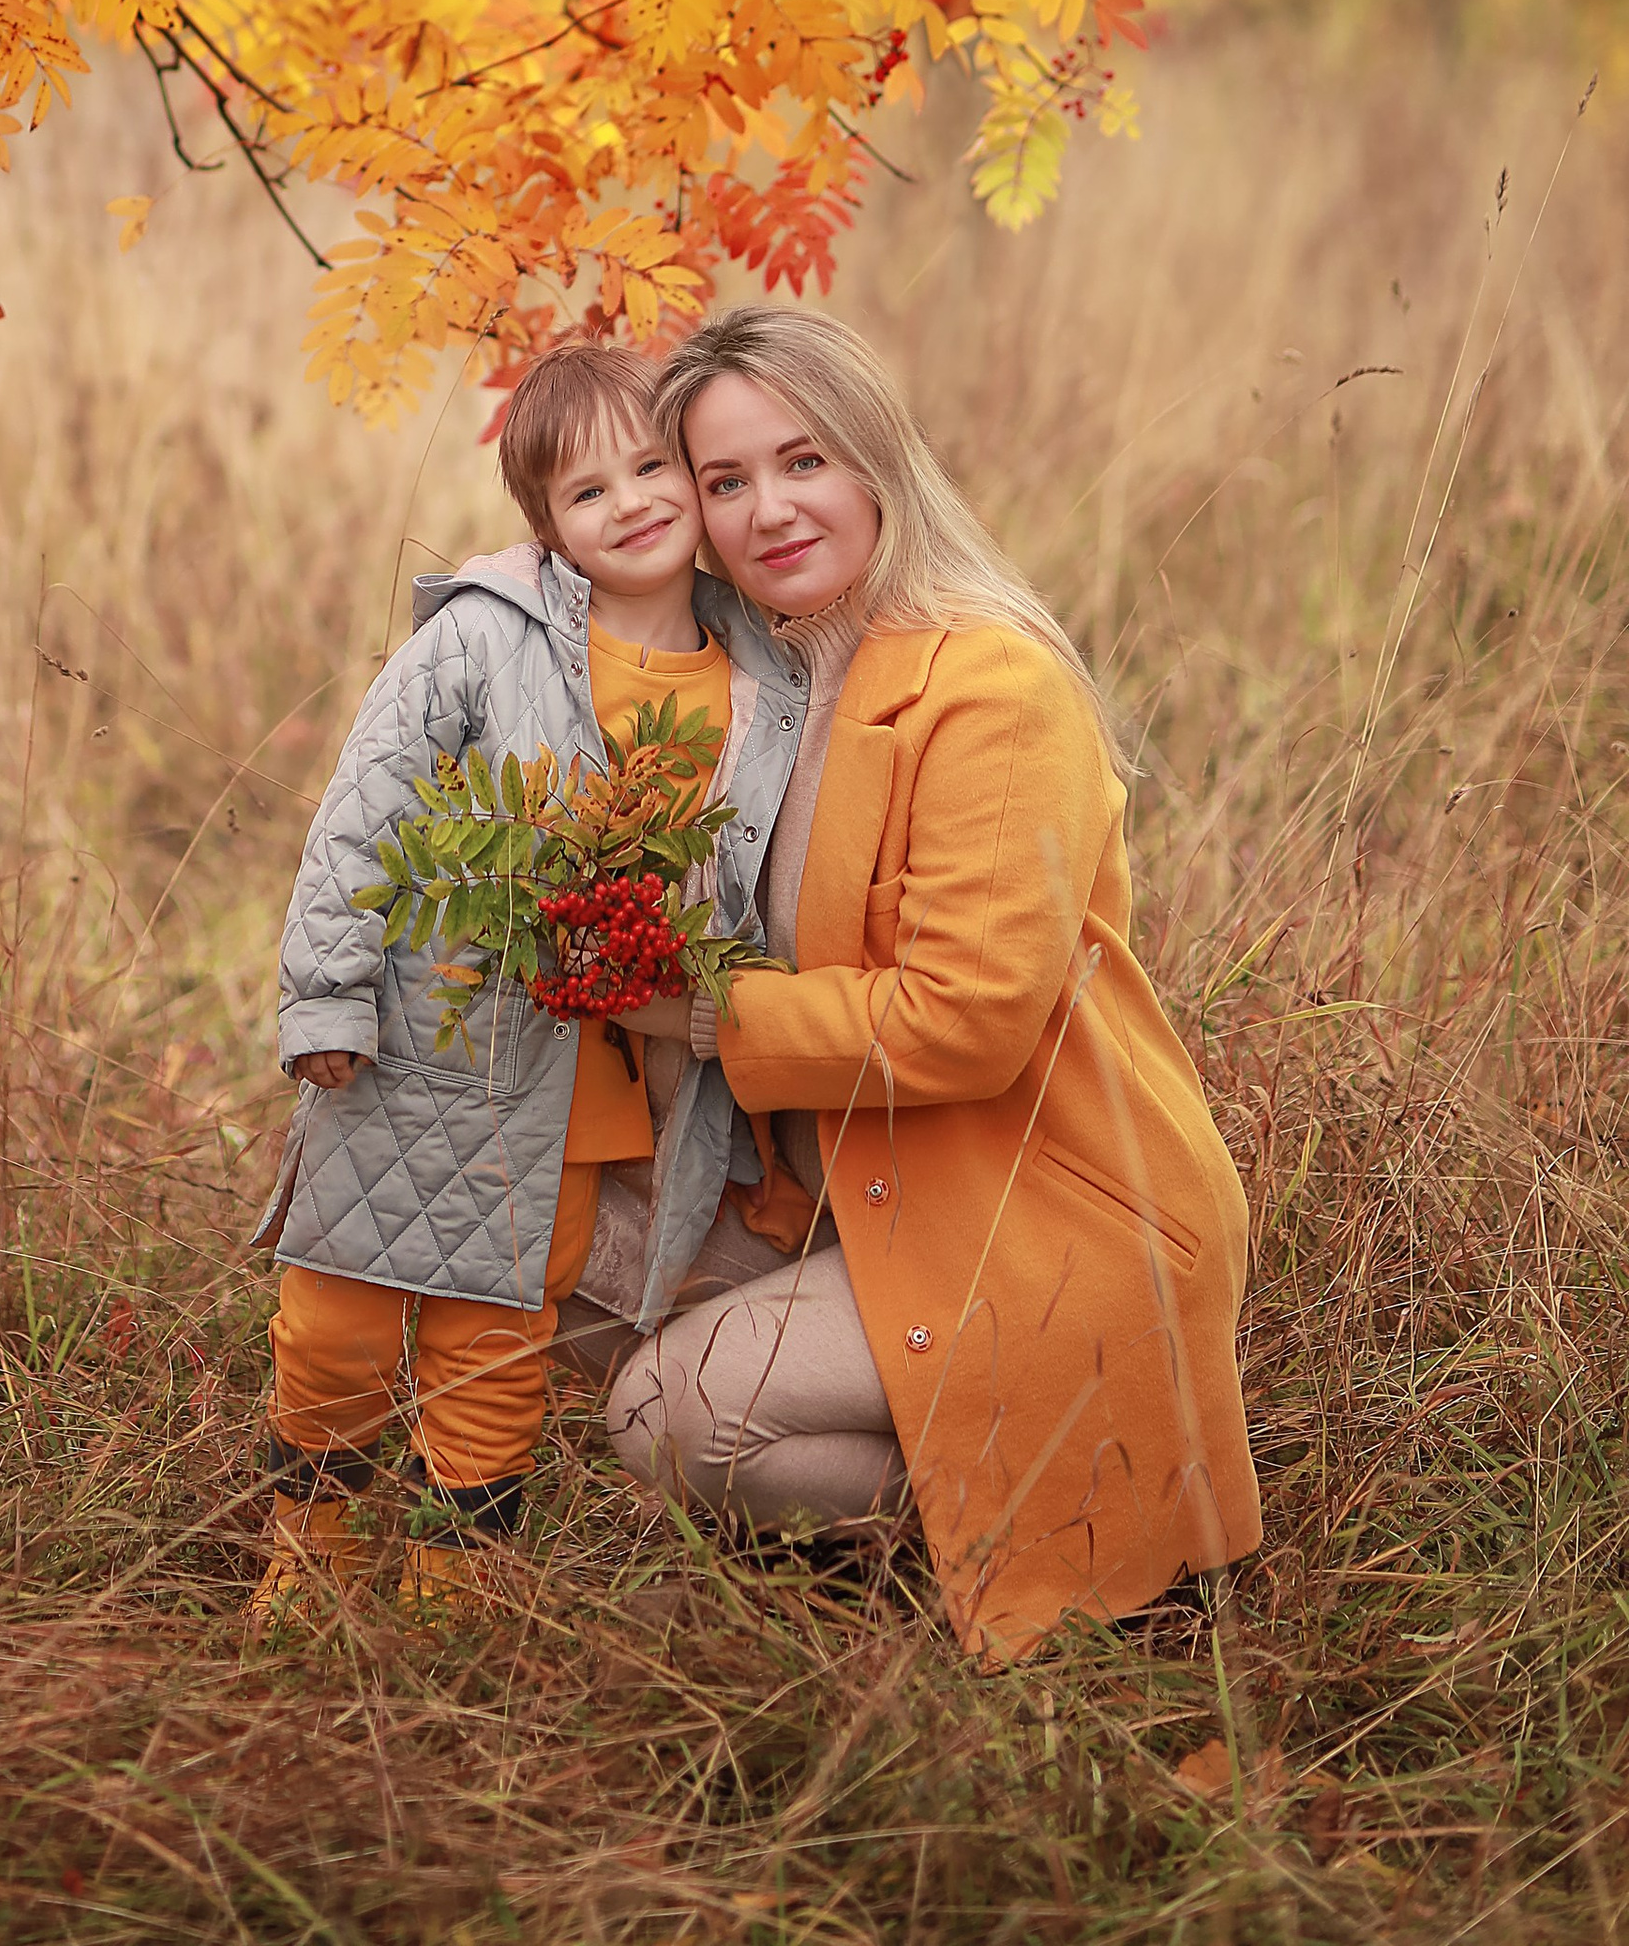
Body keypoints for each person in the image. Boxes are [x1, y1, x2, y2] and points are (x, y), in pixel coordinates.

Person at [602, 305, 1262, 1657]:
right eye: (726, 481)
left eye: (803, 460)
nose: (769, 510)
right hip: (858, 1187)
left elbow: (964, 1023)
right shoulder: (766, 686)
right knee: (533, 1253)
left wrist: (706, 1014)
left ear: (876, 459)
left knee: (665, 1412)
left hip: (1041, 1211)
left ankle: (1048, 1527)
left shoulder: (988, 687)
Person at [247, 334, 821, 1615]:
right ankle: (310, 1548)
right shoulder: (478, 639)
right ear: (547, 528)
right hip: (422, 1038)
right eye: (586, 490)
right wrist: (326, 996)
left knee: (502, 1330)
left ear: (697, 475)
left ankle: (453, 1581)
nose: (632, 503)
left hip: (586, 1077)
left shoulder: (765, 672)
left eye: (653, 467)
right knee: (337, 1319)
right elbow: (363, 816)